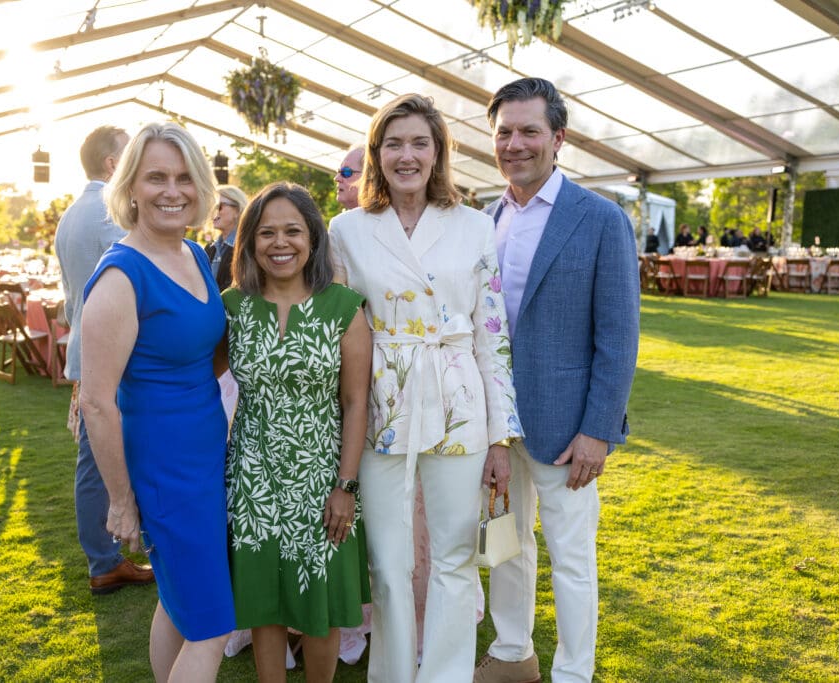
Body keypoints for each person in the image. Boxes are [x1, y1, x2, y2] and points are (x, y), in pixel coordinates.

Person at [329, 93, 522, 682]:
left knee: (455, 560)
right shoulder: (347, 230)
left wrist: (500, 436)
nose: (406, 155)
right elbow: (338, 333)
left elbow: (492, 334)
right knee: (387, 565)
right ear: (375, 154)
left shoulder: (473, 226)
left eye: (419, 142)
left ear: (438, 152)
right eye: (393, 143)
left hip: (460, 403)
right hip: (381, 406)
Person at [477, 77, 640, 683]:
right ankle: (515, 652)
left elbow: (618, 337)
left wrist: (598, 430)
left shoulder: (600, 219)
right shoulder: (482, 219)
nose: (515, 144)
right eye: (504, 132)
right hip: (496, 426)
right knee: (505, 550)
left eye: (529, 131)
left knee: (572, 559)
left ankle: (575, 673)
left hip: (569, 429)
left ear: (558, 139)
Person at [79, 122, 235, 682]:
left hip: (206, 451)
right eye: (156, 178)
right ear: (131, 189)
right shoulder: (122, 275)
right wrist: (121, 502)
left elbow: (202, 353)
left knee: (178, 600)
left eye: (183, 177)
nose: (173, 190)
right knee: (214, 623)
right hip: (165, 467)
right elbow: (97, 402)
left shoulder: (193, 255)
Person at [219, 181, 372, 682]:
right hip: (252, 478)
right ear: (249, 241)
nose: (279, 243)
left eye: (292, 231)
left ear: (313, 239)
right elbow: (197, 378)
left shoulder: (344, 308)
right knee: (264, 600)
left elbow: (355, 404)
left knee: (319, 601)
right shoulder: (232, 308)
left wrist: (345, 487)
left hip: (320, 477)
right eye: (266, 233)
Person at [54, 125, 155, 595]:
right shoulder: (108, 215)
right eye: (131, 155)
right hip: (111, 354)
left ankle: (107, 554)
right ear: (114, 165)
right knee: (98, 457)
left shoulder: (72, 213)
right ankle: (105, 560)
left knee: (96, 455)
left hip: (84, 346)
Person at [204, 185, 248, 292]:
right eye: (211, 207)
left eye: (219, 206)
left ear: (237, 211)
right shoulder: (209, 248)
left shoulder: (246, 249)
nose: (213, 212)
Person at [334, 146, 365, 211]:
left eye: (346, 171)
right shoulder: (343, 220)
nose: (336, 178)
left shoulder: (389, 219)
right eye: (338, 171)